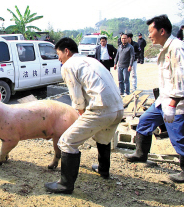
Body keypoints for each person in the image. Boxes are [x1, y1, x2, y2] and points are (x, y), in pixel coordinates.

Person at [44, 37, 124, 194]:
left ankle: (65, 185)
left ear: (67, 51)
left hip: (101, 108)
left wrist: (81, 116)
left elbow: (77, 98)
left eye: (58, 54)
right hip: (118, 108)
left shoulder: (68, 65)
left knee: (67, 142)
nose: (58, 58)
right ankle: (103, 169)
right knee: (103, 137)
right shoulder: (91, 61)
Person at [125, 15, 184, 183]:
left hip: (176, 103)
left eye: (151, 31)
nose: (149, 35)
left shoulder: (177, 48)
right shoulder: (165, 48)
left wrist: (172, 105)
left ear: (162, 31)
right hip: (163, 101)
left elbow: (181, 79)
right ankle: (140, 154)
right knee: (144, 121)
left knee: (177, 137)